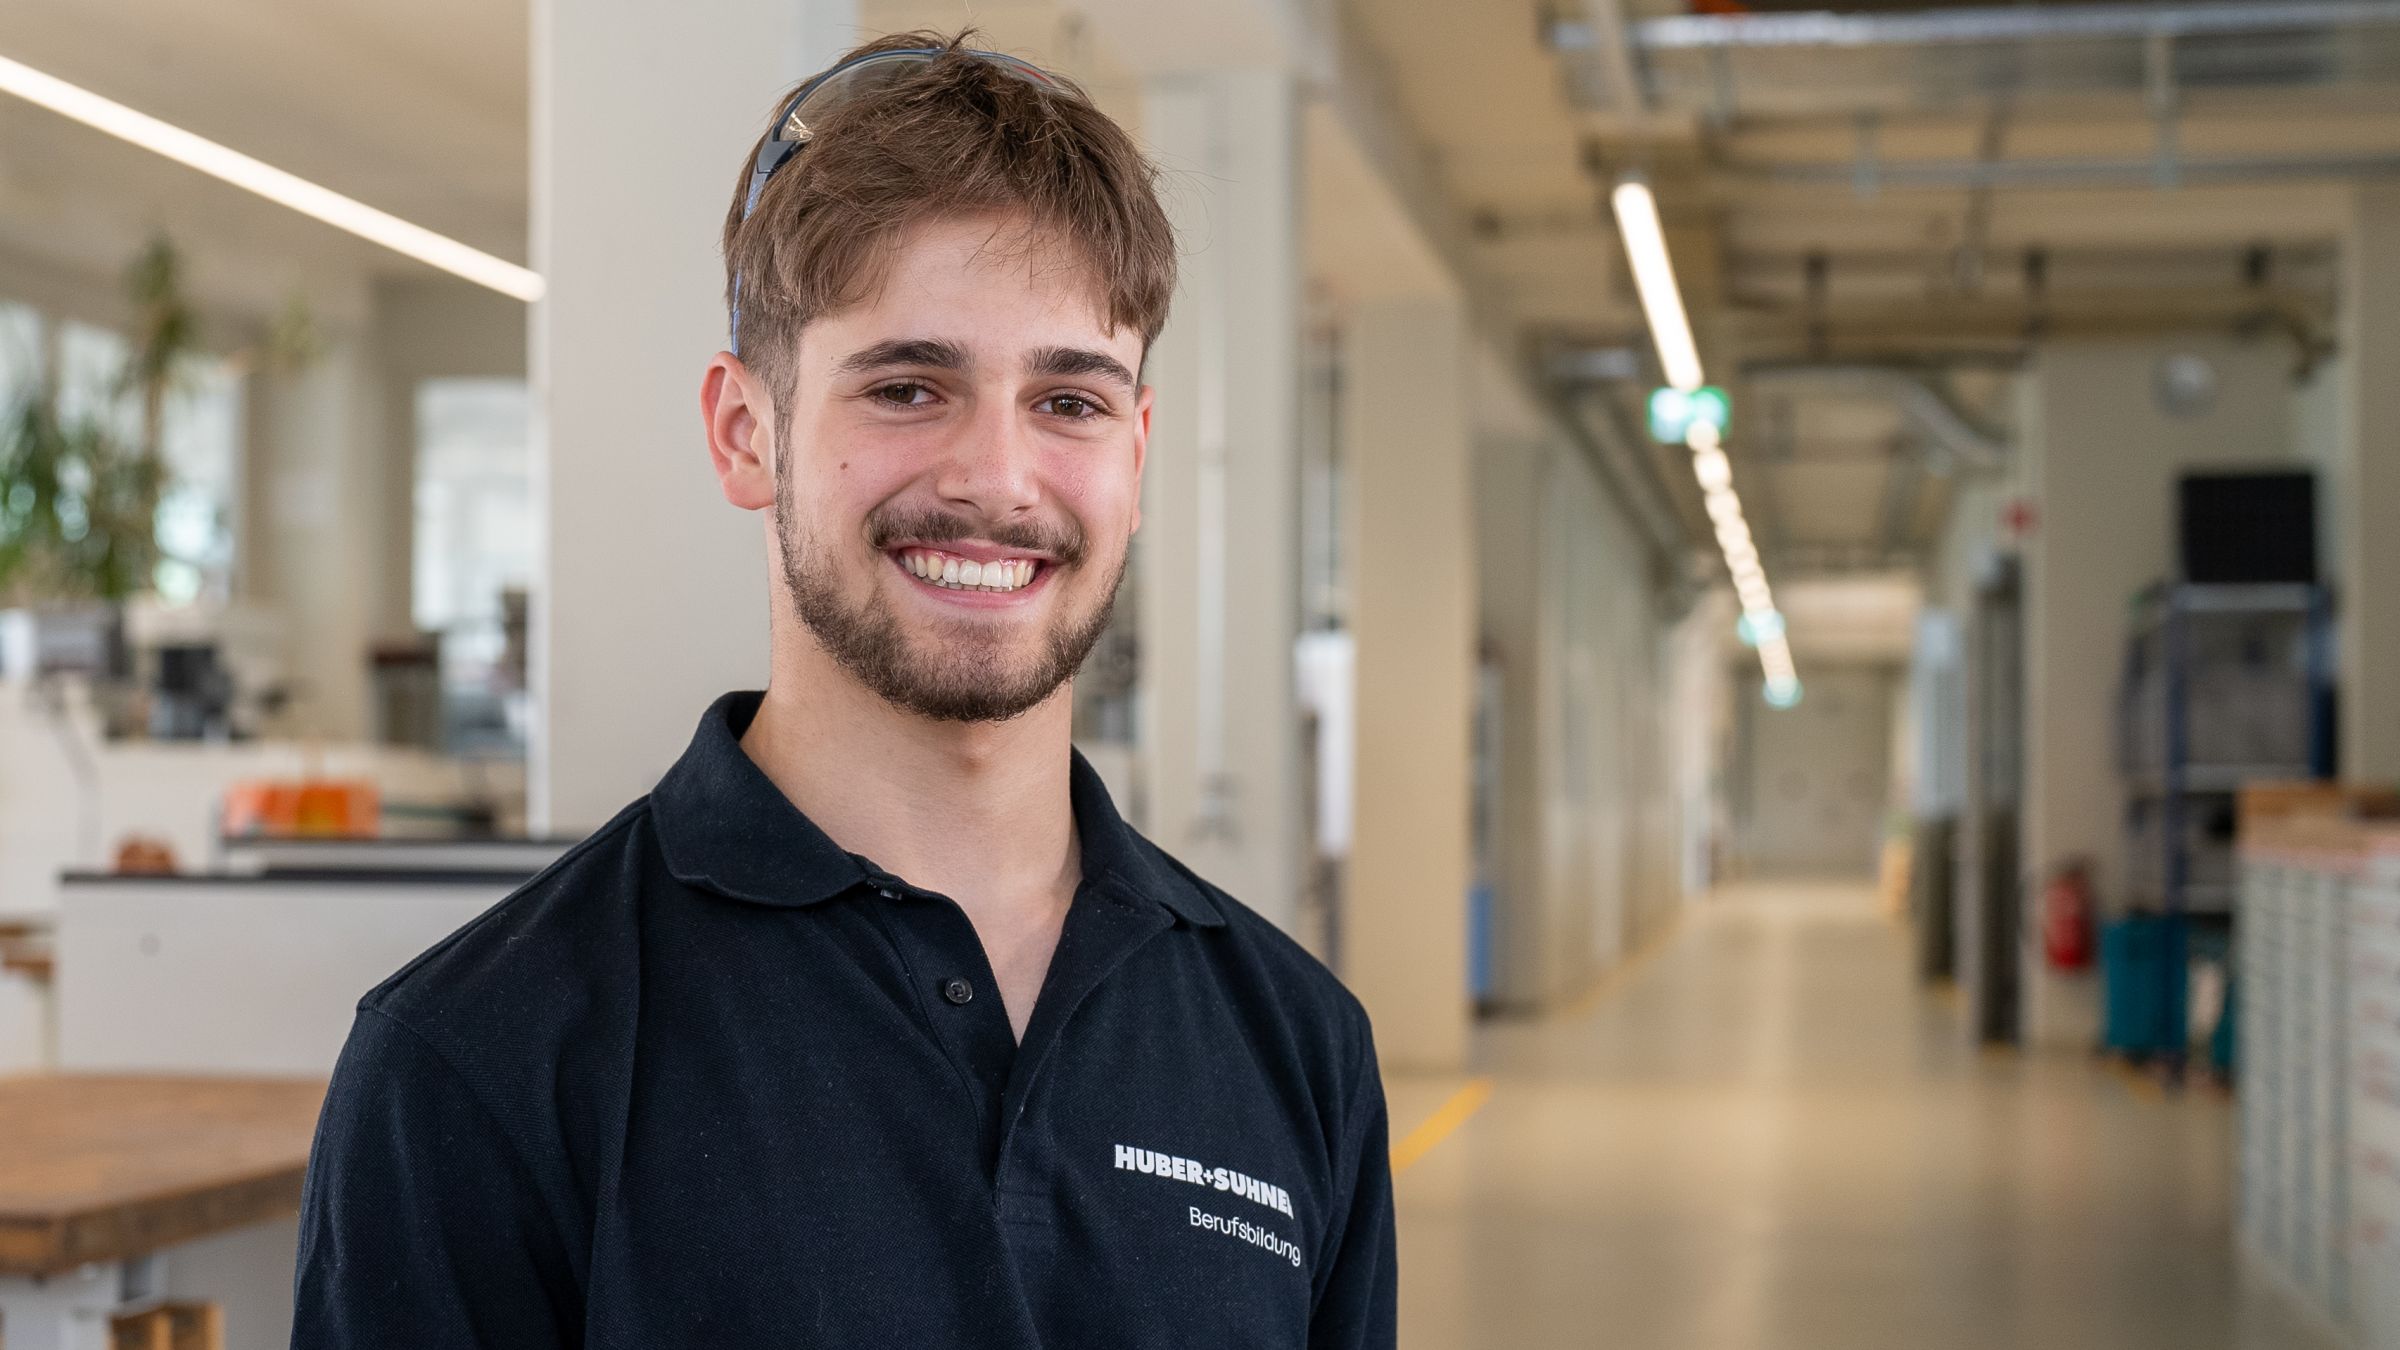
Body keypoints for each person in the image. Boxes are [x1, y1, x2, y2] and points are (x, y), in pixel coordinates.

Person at [290, 30, 1396, 1349]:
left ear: (1138, 455)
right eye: (908, 386)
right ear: (744, 430)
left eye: (1070, 401)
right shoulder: (479, 1062)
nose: (997, 477)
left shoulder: (1294, 1045)